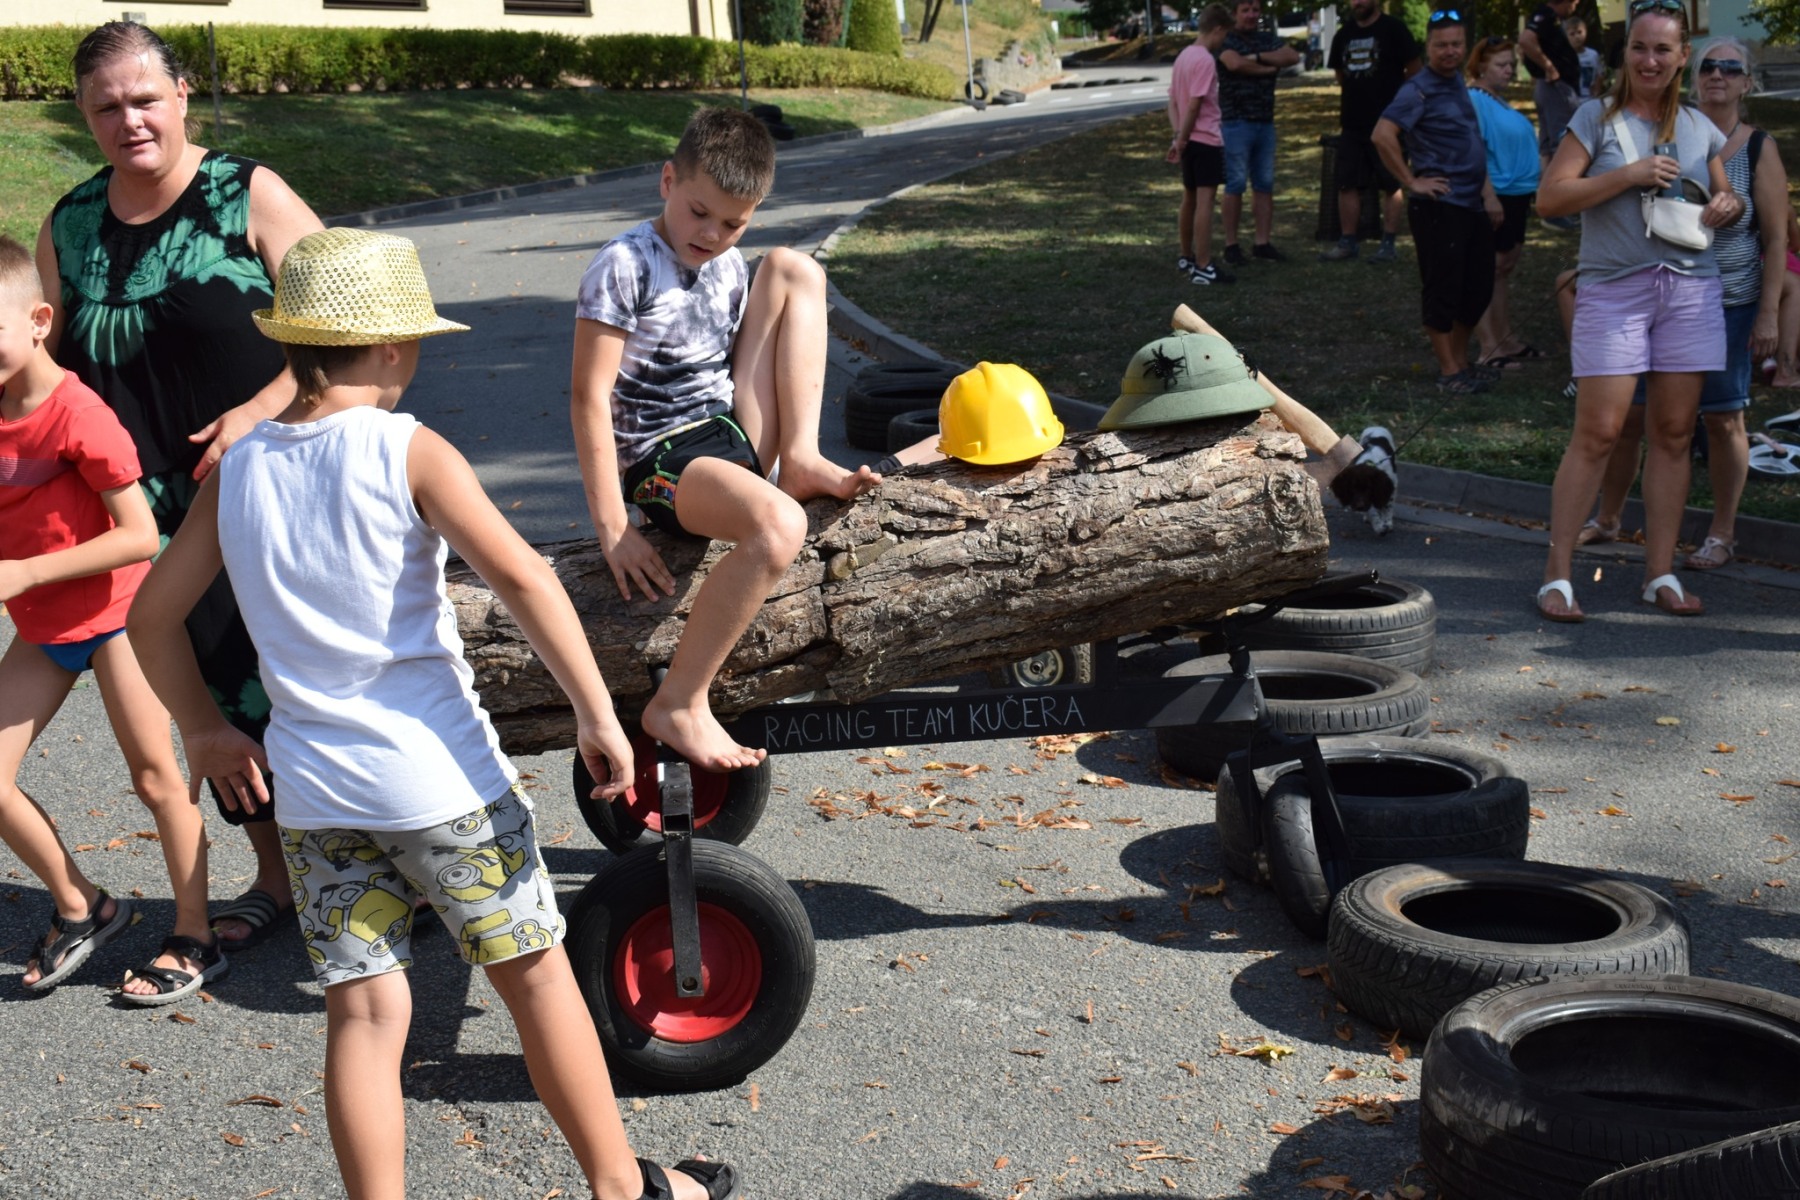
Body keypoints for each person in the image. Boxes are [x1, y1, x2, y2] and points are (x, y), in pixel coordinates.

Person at [128, 227, 741, 1200]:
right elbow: (526, 578)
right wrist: (595, 711)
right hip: (443, 788)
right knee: (536, 980)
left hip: (318, 800)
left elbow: (150, 616)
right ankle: (622, 1188)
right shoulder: (405, 448)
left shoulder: (240, 468)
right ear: (391, 348)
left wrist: (204, 728)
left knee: (366, 1016)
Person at [36, 21, 325, 952]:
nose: (130, 120)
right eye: (107, 106)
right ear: (84, 115)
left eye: (145, 99)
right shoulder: (71, 222)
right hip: (143, 516)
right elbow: (42, 371)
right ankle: (280, 878)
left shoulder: (248, 194)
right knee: (216, 691)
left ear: (183, 96)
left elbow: (352, 323)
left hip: (272, 485)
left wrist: (261, 409)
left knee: (306, 682)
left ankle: (388, 870)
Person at [570, 107, 881, 773]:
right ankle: (680, 702)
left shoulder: (731, 264)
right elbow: (588, 397)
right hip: (661, 460)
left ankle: (801, 458)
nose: (711, 235)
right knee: (779, 526)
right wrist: (613, 525)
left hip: (729, 435)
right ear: (667, 181)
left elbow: (741, 362)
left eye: (733, 224)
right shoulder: (624, 265)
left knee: (796, 269)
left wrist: (770, 447)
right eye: (698, 212)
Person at [0, 235, 218, 1002]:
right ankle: (82, 904)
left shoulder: (77, 414)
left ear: (39, 322)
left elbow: (140, 536)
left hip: (121, 617)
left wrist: (24, 571)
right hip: (45, 625)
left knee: (157, 779)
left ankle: (193, 934)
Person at [1533, 0, 1742, 622]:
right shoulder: (1594, 117)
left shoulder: (1700, 125)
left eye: (1663, 50)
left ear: (1682, 57)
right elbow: (1551, 199)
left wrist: (1727, 203)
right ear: (1626, 53)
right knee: (1598, 433)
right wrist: (1628, 175)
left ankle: (1659, 574)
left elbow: (1723, 195)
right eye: (1640, 48)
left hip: (1691, 291)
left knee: (1674, 435)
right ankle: (1557, 576)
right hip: (1614, 290)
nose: (1650, 60)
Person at [1572, 37, 1788, 571]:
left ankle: (1721, 533)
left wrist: (1768, 313)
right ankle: (1610, 517)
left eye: (1730, 68)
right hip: (1659, 295)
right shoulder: (1671, 129)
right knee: (1630, 418)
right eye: (1709, 66)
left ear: (1747, 82)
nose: (1718, 75)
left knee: (1722, 419)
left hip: (1730, 300)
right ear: (1693, 72)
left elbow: (1778, 237)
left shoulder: (1757, 147)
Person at [1371, 11, 1503, 395]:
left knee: (1477, 288)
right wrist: (1411, 181)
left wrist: (1488, 193)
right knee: (1443, 289)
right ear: (1428, 46)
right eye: (1441, 45)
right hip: (1438, 207)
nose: (1450, 51)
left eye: (1456, 44)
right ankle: (1448, 372)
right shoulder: (1418, 88)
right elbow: (1382, 134)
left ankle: (1460, 363)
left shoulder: (1456, 80)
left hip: (1471, 203)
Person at [1467, 36, 1546, 369]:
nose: (1509, 70)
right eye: (1501, 65)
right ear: (1481, 66)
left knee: (1502, 271)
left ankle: (1505, 339)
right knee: (1486, 272)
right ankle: (1488, 348)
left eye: (1511, 64)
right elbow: (1475, 152)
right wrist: (1489, 196)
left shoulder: (1498, 100)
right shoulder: (1475, 99)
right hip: (1498, 196)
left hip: (1517, 196)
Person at [1320, 0, 1420, 263]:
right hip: (1352, 123)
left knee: (1391, 182)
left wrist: (1399, 103)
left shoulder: (1394, 29)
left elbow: (1415, 69)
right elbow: (1340, 74)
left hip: (1388, 123)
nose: (1358, 2)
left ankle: (1388, 244)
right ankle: (1347, 242)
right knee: (1346, 183)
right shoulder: (1343, 34)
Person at [1216, 0, 1301, 266]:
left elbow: (1292, 57)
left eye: (1255, 10)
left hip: (1265, 122)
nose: (1251, 15)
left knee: (1264, 184)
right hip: (1236, 122)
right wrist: (1268, 68)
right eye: (1245, 10)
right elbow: (1233, 64)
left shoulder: (1266, 38)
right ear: (1234, 14)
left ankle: (1262, 243)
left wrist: (1256, 58)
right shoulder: (1225, 39)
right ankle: (1231, 245)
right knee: (1235, 184)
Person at [1168, 5, 1238, 285]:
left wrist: (1178, 137)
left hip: (1188, 141)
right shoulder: (1205, 60)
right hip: (1205, 140)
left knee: (1190, 198)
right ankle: (1203, 265)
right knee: (1205, 202)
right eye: (1225, 34)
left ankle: (1186, 256)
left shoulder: (1183, 56)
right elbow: (1194, 104)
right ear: (1217, 29)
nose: (1224, 41)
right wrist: (1183, 138)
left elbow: (1172, 102)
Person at [1518, 0, 1582, 179]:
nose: (1574, 6)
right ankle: (1562, 183)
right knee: (1563, 139)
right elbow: (1526, 40)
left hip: (1549, 87)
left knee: (1547, 142)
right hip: (1556, 87)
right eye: (1574, 2)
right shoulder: (1546, 15)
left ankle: (1546, 184)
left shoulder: (1549, 17)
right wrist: (1549, 67)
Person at [1567, 16, 1604, 98]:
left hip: (1589, 98)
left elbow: (1600, 74)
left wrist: (1597, 91)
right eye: (1572, 34)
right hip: (1571, 99)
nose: (1577, 36)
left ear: (1585, 32)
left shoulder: (1593, 54)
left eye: (1579, 32)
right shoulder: (1565, 56)